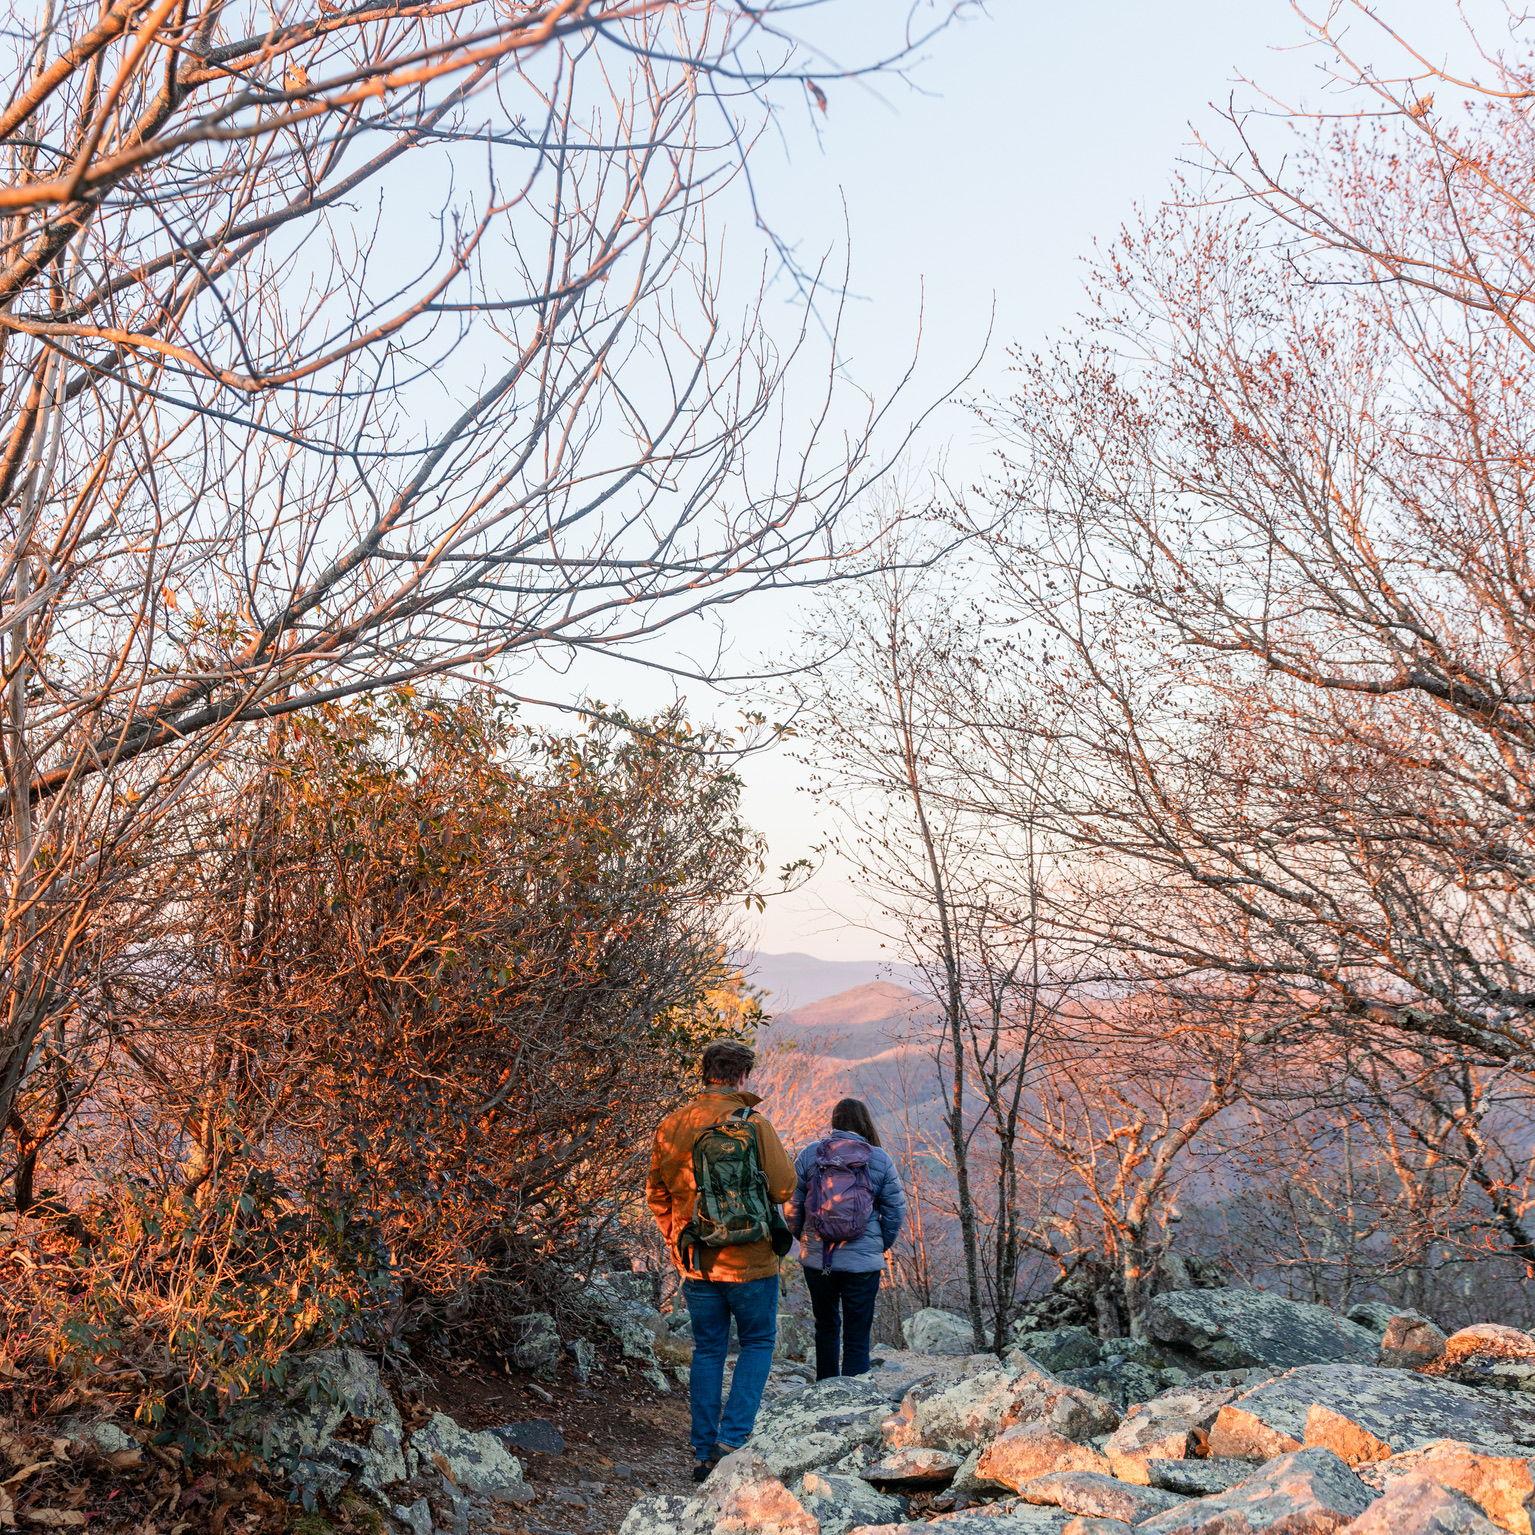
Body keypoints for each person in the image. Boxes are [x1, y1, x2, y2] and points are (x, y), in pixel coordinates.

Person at [647, 1039, 795, 1482]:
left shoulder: (672, 1124)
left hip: (698, 1261)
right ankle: (733, 1438)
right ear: (741, 1077)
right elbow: (784, 1187)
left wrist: (677, 1238)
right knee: (758, 1343)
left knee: (708, 1349)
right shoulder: (754, 1124)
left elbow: (656, 1194)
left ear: (704, 1073)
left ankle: (702, 1447)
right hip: (751, 1260)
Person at [789, 1097, 906, 1380]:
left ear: (834, 1122)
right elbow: (895, 1209)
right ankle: (856, 1399)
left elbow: (792, 1204)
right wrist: (879, 1244)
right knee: (857, 1332)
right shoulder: (878, 1158)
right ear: (864, 1122)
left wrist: (805, 1237)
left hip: (818, 1259)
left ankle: (826, 1391)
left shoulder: (810, 1154)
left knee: (826, 1326)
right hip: (862, 1263)